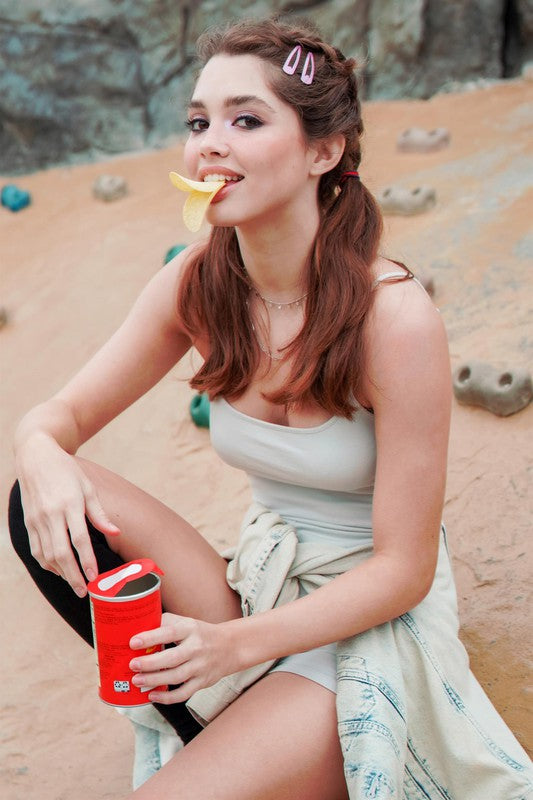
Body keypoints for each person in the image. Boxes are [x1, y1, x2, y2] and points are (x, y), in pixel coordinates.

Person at [8, 17, 532, 800]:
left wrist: (230, 646)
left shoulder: (394, 319)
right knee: (40, 500)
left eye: (245, 120)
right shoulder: (198, 282)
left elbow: (404, 570)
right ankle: (238, 728)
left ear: (324, 152)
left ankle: (266, 736)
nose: (209, 143)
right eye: (198, 122)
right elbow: (57, 419)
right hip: (260, 585)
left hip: (363, 625)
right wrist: (41, 451)